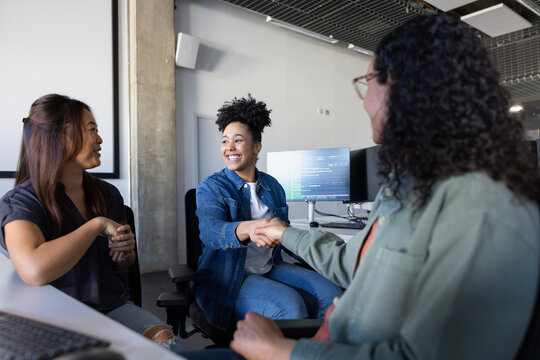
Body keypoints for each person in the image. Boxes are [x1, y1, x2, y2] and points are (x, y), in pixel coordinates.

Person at [229, 14, 540, 360]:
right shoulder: (406, 187)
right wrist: (285, 233)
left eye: (370, 80)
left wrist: (281, 351)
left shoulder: (484, 210)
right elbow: (353, 261)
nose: (364, 100)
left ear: (407, 88)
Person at [0, 94, 177, 349]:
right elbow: (34, 270)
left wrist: (124, 252)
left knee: (167, 344)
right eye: (92, 129)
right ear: (60, 137)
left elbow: (124, 265)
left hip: (111, 307)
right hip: (57, 319)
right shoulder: (20, 201)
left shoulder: (107, 194)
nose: (100, 139)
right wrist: (96, 225)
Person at [192, 94, 343, 332]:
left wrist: (321, 254)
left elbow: (285, 233)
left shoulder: (272, 186)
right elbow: (210, 232)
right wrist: (250, 228)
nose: (229, 147)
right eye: (224, 141)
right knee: (290, 307)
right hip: (230, 277)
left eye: (238, 140)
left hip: (270, 267)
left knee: (333, 294)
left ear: (256, 146)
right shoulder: (212, 187)